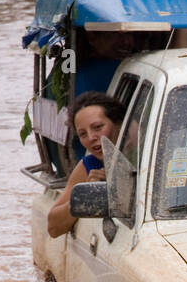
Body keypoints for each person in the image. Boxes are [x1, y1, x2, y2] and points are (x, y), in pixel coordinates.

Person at [47, 92, 127, 238]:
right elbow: (53, 227)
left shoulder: (145, 154)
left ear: (119, 124)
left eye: (97, 127)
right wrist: (88, 195)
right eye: (83, 134)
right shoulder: (90, 166)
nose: (91, 138)